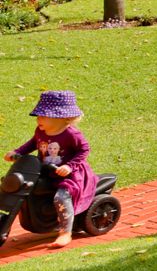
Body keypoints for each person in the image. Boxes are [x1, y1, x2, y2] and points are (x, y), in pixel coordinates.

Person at [5, 91, 99, 248]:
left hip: (68, 175)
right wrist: (18, 153)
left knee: (61, 198)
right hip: (44, 171)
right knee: (18, 186)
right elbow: (33, 143)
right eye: (38, 115)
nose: (38, 119)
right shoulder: (40, 131)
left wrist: (69, 166)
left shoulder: (71, 134)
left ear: (61, 117)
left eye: (43, 115)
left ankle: (65, 233)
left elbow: (84, 150)